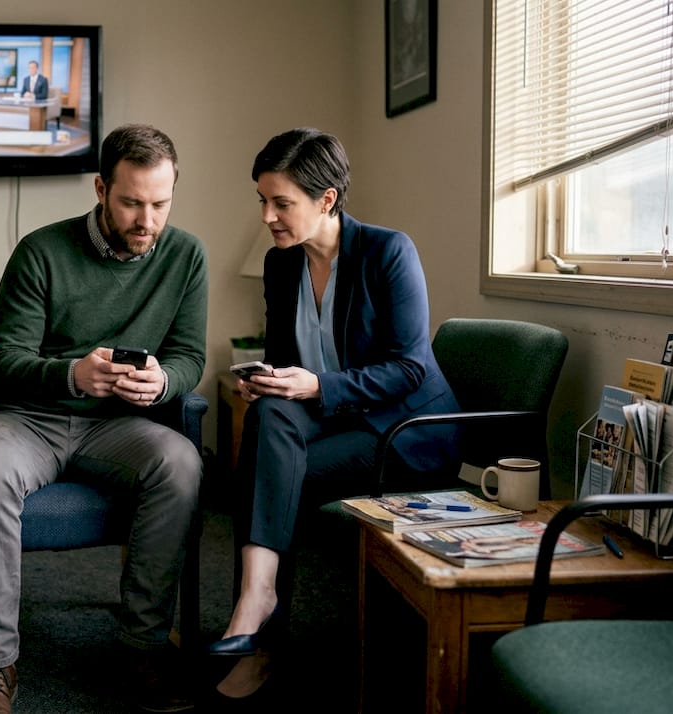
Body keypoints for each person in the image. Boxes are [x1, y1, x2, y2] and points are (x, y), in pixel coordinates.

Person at [0, 124, 208, 714]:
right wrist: (72, 374)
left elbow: (190, 356)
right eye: (131, 202)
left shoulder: (186, 255)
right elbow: (4, 360)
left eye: (161, 203)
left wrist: (165, 381)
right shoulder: (41, 250)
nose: (147, 220)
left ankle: (140, 651)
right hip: (25, 418)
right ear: (100, 189)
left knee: (180, 461)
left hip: (116, 426)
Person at [205, 127, 461, 701]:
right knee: (269, 423)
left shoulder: (388, 252)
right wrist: (267, 381)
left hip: (405, 428)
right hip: (337, 420)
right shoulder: (280, 264)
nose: (267, 216)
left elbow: (411, 367)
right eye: (262, 201)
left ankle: (260, 630)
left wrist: (317, 384)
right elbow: (283, 357)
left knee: (270, 471)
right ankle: (259, 599)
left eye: (281, 203)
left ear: (326, 200)